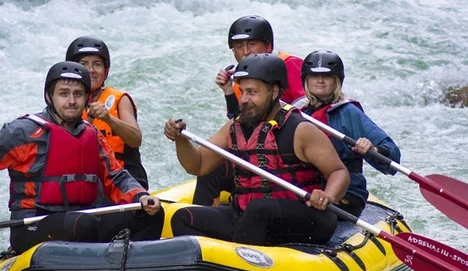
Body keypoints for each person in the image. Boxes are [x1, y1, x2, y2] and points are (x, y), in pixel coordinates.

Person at [0, 61, 164, 254]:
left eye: (78, 94)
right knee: (83, 224)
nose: (72, 101)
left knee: (150, 214)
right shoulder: (24, 131)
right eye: (63, 94)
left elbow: (116, 176)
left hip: (84, 219)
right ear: (50, 97)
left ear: (86, 98)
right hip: (33, 223)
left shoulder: (91, 135)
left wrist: (140, 196)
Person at [164, 53, 349, 246]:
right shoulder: (235, 127)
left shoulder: (300, 129)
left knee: (259, 209)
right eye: (242, 91)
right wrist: (180, 139)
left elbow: (338, 171)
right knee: (183, 217)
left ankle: (239, 262)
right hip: (249, 217)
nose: (243, 99)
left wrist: (328, 195)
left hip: (307, 218)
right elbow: (199, 165)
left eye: (252, 92)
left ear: (274, 91)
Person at [194, 15, 307, 206]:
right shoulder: (243, 78)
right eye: (239, 46)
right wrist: (229, 92)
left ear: (268, 46)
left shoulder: (290, 65)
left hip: (290, 156)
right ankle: (204, 225)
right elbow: (241, 123)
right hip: (259, 152)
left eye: (252, 44)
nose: (246, 52)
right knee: (209, 171)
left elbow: (310, 109)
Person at [300, 50, 401, 217]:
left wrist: (373, 149)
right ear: (306, 80)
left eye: (327, 76)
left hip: (348, 193)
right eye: (314, 76)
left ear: (336, 81)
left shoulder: (349, 113)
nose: (320, 80)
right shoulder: (300, 111)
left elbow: (393, 156)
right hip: (310, 187)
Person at [65, 36, 149, 189]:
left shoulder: (119, 100)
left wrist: (108, 118)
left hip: (124, 182)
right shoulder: (66, 105)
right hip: (88, 183)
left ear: (105, 71)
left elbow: (135, 139)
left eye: (97, 64)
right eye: (84, 64)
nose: (91, 70)